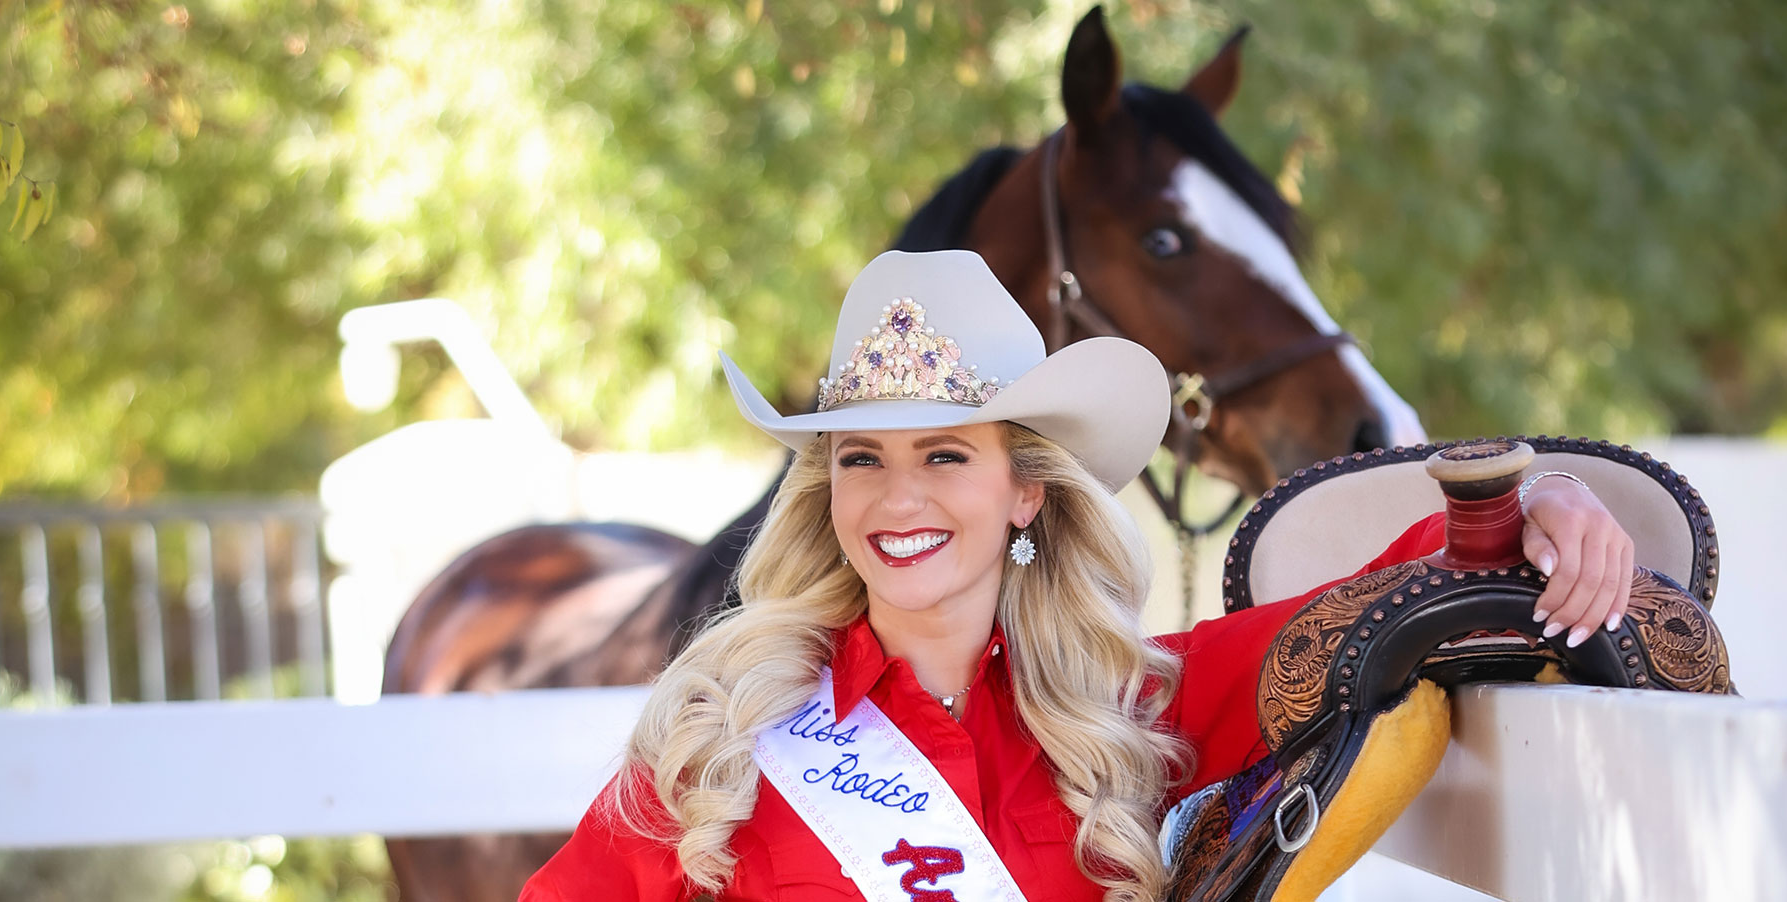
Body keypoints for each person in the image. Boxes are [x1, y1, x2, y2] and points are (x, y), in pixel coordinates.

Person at [520, 250, 1634, 902]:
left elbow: (1377, 610)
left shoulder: (1129, 707)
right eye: (861, 459)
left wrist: (1528, 513)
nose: (896, 500)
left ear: (1024, 490)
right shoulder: (726, 736)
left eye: (945, 454)